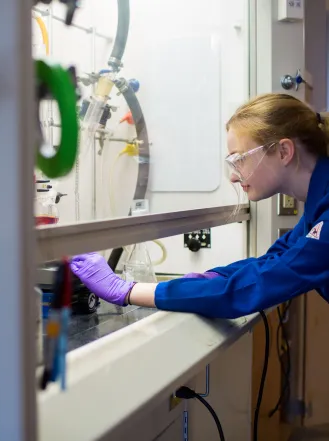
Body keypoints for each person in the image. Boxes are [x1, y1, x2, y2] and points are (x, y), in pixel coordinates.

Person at [71, 93, 329, 319]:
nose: (234, 176)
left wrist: (126, 290)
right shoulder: (317, 207)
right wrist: (206, 280)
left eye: (239, 160)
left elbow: (256, 286)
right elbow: (273, 261)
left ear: (284, 151)